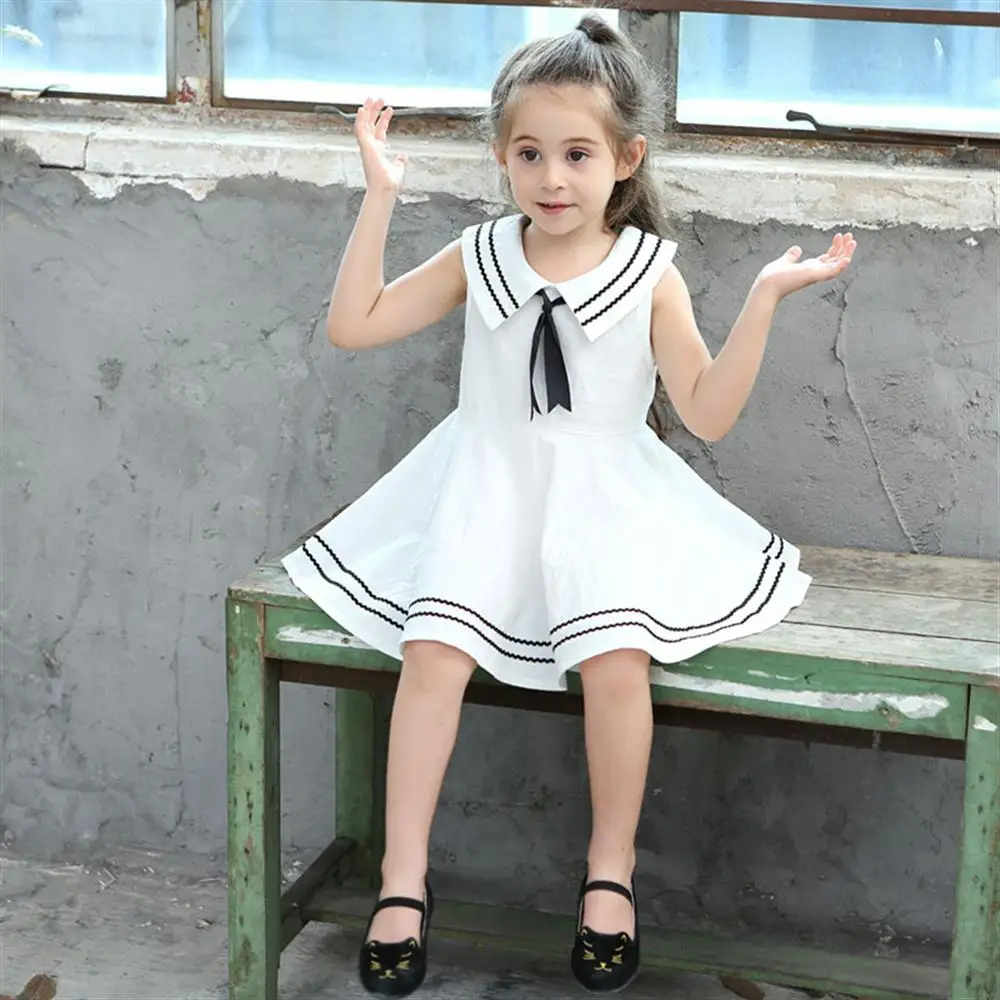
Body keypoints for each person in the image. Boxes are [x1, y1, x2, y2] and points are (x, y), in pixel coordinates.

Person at [281, 15, 856, 997]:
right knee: (432, 651)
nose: (552, 177)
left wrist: (762, 298)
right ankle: (402, 880)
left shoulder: (648, 274)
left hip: (605, 500)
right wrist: (380, 196)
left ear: (626, 159)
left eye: (578, 154)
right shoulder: (481, 255)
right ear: (502, 157)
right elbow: (354, 323)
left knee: (615, 659)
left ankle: (608, 874)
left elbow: (707, 412)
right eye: (530, 154)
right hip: (482, 487)